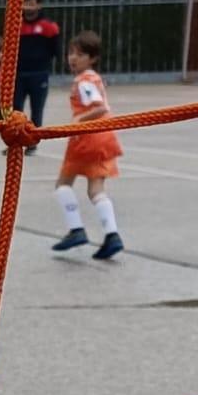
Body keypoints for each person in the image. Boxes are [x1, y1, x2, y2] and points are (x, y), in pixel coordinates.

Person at [51, 30, 125, 261]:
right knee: (96, 190)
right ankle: (112, 234)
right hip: (104, 137)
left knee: (63, 184)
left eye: (80, 54)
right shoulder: (94, 77)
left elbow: (99, 107)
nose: (73, 58)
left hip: (86, 139)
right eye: (71, 53)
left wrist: (78, 121)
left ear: (92, 58)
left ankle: (76, 230)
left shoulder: (83, 81)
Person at [11, 0, 60, 152]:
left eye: (32, 3)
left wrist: (45, 64)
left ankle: (32, 142)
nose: (28, 7)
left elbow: (55, 49)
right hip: (18, 74)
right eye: (25, 4)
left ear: (39, 5)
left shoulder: (49, 27)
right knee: (16, 111)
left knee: (36, 109)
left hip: (39, 73)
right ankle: (15, 142)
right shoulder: (15, 25)